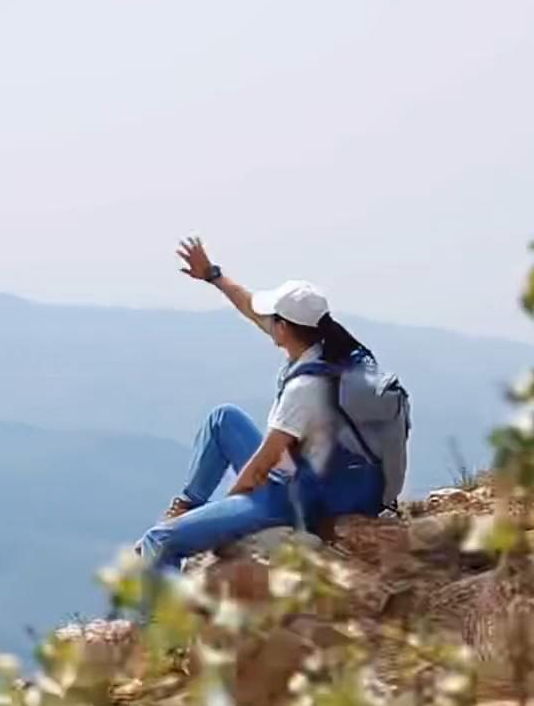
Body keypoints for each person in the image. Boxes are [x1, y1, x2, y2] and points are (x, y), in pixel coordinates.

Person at [134, 237, 387, 572]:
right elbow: (250, 306)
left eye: (273, 319)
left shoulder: (305, 388)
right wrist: (212, 275)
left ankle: (173, 621)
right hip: (327, 481)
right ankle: (186, 504)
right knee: (223, 418)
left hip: (294, 500)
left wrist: (225, 514)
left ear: (283, 328)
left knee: (159, 540)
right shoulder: (335, 353)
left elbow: (260, 467)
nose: (266, 321)